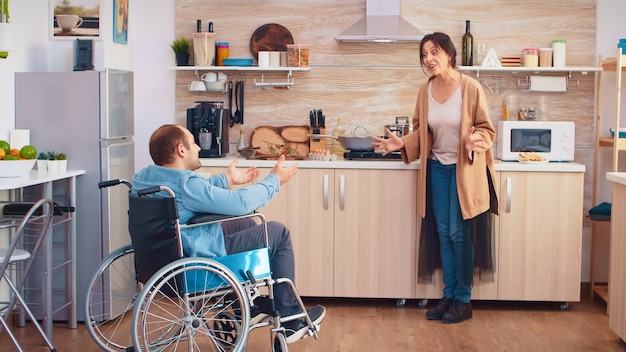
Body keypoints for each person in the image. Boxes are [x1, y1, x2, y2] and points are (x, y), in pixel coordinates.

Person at [132, 124, 326, 343]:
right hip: (193, 262)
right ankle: (291, 318)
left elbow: (195, 195)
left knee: (245, 223)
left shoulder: (146, 178)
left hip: (159, 263)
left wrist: (227, 180)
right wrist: (274, 181)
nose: (198, 147)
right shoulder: (186, 184)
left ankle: (245, 306)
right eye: (193, 142)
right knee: (277, 233)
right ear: (181, 150)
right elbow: (241, 202)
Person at [373, 32, 498, 324]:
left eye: (434, 53)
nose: (428, 59)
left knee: (459, 234)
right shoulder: (424, 91)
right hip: (438, 168)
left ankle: (463, 299)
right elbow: (422, 133)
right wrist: (403, 143)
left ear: (450, 55)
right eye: (424, 55)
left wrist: (475, 140)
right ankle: (449, 295)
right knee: (443, 232)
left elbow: (486, 129)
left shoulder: (470, 88)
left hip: (464, 170)